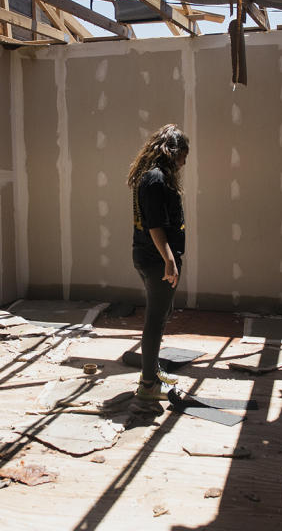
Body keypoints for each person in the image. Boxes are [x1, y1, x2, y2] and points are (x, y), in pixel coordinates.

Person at [127, 123, 189, 401]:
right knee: (155, 320)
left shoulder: (153, 176)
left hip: (151, 257)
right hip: (156, 259)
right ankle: (149, 384)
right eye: (183, 156)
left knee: (160, 315)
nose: (184, 162)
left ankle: (151, 371)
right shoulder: (155, 178)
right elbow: (155, 226)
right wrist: (169, 260)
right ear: (171, 152)